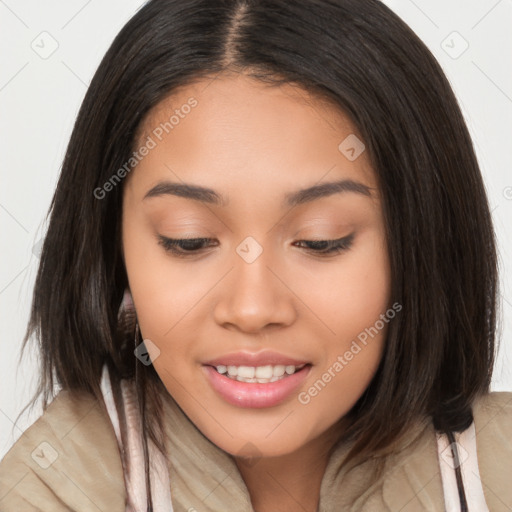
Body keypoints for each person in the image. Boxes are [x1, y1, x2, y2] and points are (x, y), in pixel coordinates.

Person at [1, 0, 511, 511]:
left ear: (422, 243)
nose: (252, 309)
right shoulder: (48, 489)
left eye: (320, 240)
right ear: (115, 253)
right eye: (189, 240)